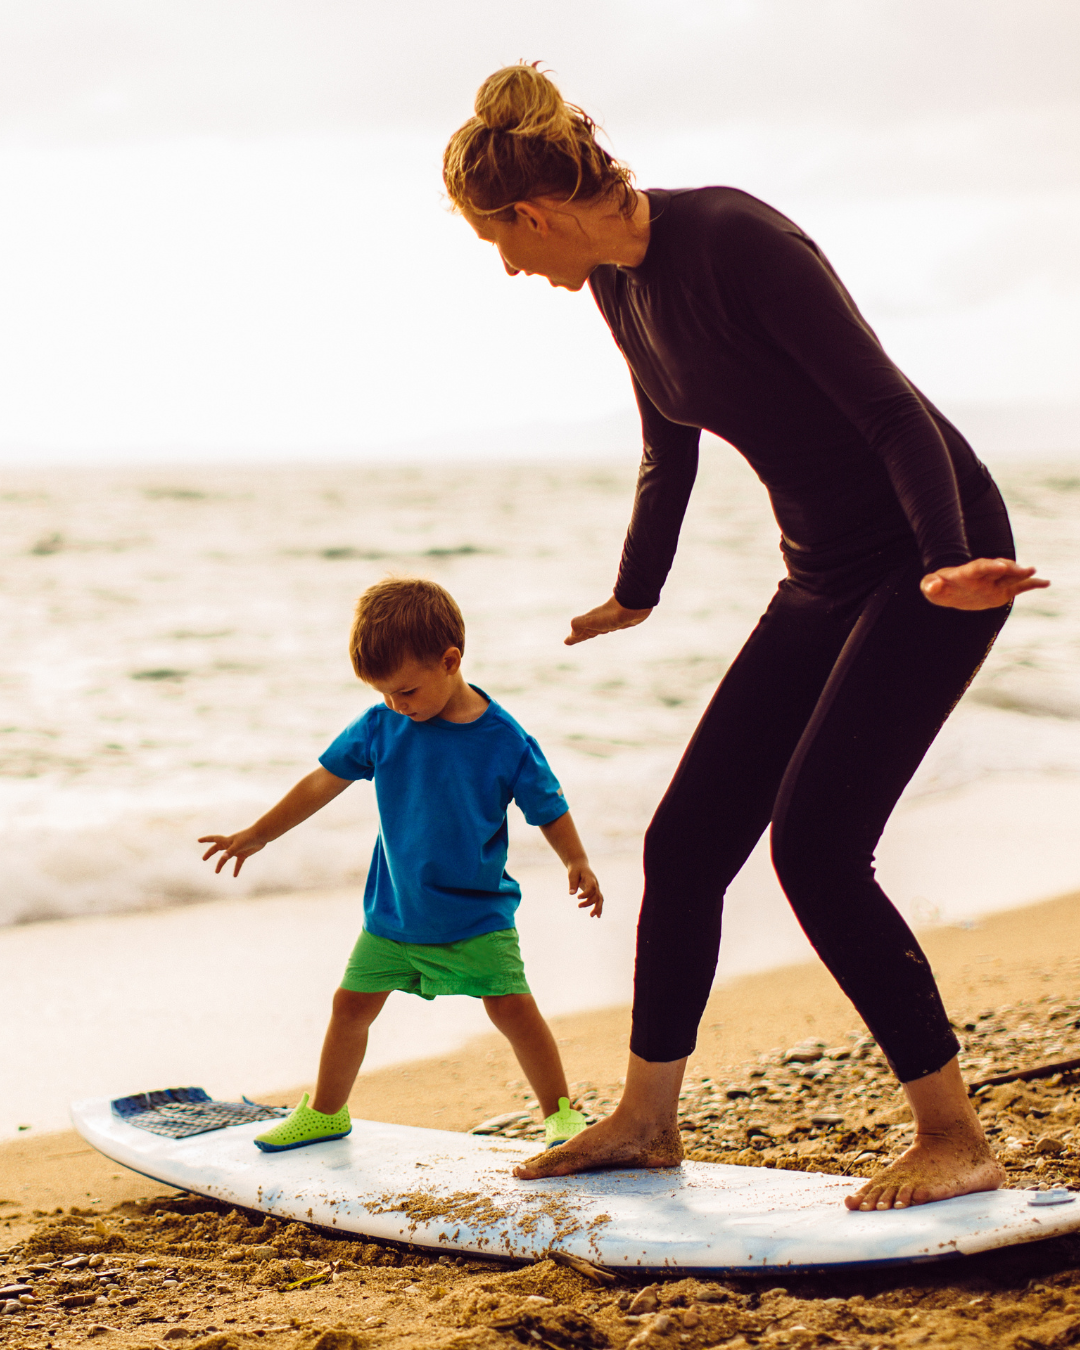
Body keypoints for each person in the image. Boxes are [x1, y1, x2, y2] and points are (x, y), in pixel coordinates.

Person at [442, 64, 1050, 1211]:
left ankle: (955, 1135)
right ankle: (646, 1121)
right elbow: (670, 446)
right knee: (684, 847)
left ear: (529, 213)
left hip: (935, 558)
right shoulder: (621, 291)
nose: (514, 271)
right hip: (820, 576)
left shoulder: (736, 239)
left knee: (817, 845)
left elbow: (892, 411)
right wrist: (636, 591)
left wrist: (941, 564)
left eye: (502, 247)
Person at [198, 577, 602, 1152]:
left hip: (476, 916)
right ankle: (327, 1113)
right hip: (394, 914)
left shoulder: (504, 739)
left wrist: (577, 859)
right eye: (384, 693)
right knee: (350, 1007)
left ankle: (560, 1114)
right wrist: (259, 834)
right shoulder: (381, 726)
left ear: (450, 660)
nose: (396, 705)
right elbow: (321, 783)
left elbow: (548, 806)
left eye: (406, 691)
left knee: (513, 1009)